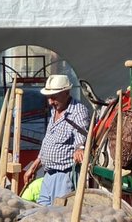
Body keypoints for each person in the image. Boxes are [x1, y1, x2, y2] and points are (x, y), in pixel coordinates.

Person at [23, 75, 89, 206]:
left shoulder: (78, 111)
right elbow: (48, 141)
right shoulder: (55, 110)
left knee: (59, 215)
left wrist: (79, 148)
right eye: (48, 97)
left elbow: (82, 135)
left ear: (66, 93)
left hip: (64, 176)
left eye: (54, 97)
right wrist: (35, 166)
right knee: (42, 212)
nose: (50, 102)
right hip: (48, 174)